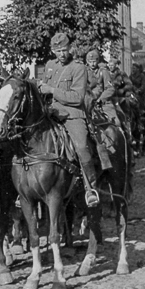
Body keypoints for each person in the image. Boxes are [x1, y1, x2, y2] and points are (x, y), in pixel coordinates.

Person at [39, 32, 98, 207]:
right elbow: (43, 86)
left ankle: (91, 188)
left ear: (70, 48)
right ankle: (25, 188)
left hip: (72, 114)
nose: (62, 54)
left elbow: (77, 98)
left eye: (64, 50)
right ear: (53, 51)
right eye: (58, 51)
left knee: (81, 146)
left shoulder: (79, 68)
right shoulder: (50, 65)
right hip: (49, 111)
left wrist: (51, 90)